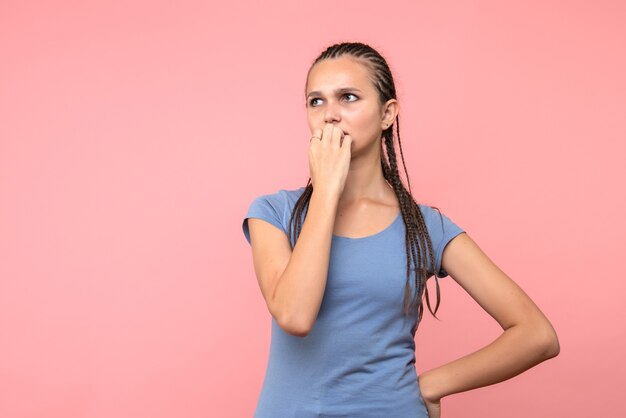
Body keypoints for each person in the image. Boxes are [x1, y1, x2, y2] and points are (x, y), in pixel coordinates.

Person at [241, 41, 560, 418]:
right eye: (316, 101)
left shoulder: (426, 228)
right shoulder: (273, 213)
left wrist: (433, 384)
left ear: (387, 114)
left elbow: (537, 336)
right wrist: (327, 190)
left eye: (348, 97)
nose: (330, 115)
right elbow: (295, 315)